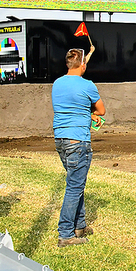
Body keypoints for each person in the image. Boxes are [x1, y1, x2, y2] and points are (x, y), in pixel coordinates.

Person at [52, 46, 105, 247]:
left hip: (60, 140)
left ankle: (79, 225)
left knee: (76, 183)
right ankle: (66, 233)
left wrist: (85, 113)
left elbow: (69, 108)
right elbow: (101, 109)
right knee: (74, 187)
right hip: (78, 140)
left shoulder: (57, 84)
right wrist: (91, 114)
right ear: (82, 65)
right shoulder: (88, 85)